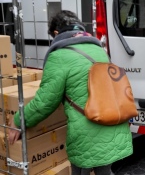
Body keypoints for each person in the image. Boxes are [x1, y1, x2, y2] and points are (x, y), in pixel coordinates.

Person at [8, 10, 133, 175]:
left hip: (88, 136)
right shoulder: (99, 50)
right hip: (114, 126)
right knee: (104, 170)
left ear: (56, 33)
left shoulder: (59, 56)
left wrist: (18, 121)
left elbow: (45, 102)